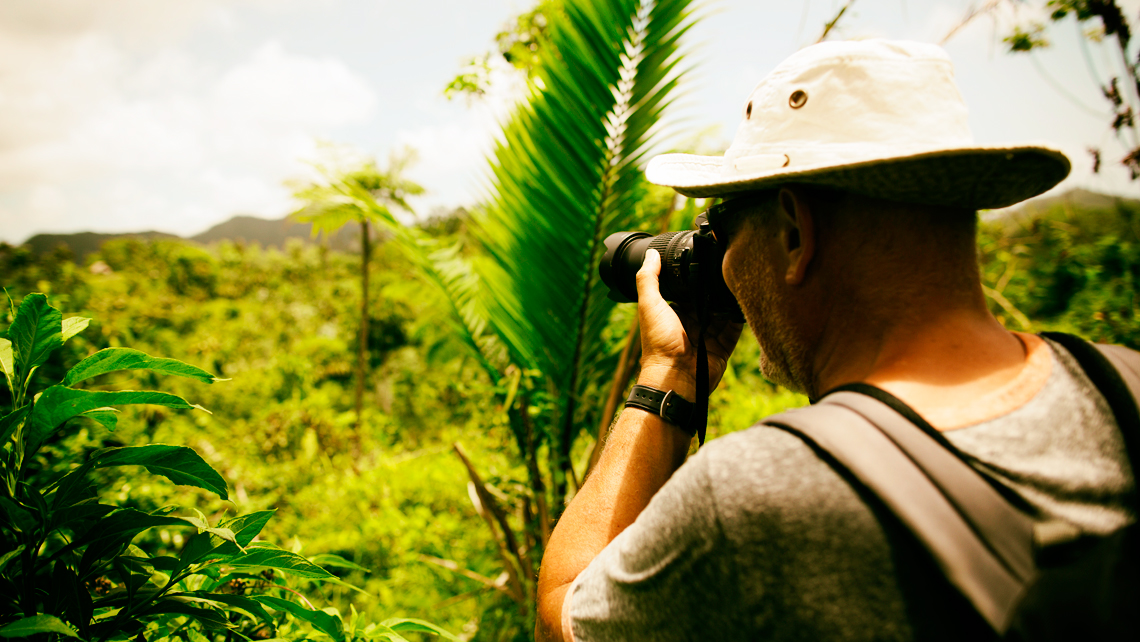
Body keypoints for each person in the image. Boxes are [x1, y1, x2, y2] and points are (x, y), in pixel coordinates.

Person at [534, 39, 1137, 641]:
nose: (723, 262)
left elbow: (563, 615)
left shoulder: (757, 492)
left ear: (794, 232)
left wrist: (667, 371)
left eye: (722, 227)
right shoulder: (1124, 385)